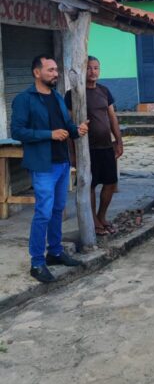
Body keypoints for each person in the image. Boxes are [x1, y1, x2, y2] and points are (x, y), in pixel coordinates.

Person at [11, 55, 89, 284]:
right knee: (43, 212)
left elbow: (65, 127)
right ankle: (37, 262)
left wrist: (77, 130)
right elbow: (17, 131)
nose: (56, 74)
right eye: (51, 70)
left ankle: (54, 252)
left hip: (62, 162)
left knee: (57, 210)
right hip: (43, 165)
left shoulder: (56, 96)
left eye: (56, 70)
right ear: (37, 72)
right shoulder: (24, 99)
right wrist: (49, 135)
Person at [65, 56, 123, 236]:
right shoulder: (73, 93)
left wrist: (119, 141)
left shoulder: (104, 91)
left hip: (106, 146)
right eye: (89, 68)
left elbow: (112, 117)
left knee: (111, 182)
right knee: (89, 184)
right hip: (86, 149)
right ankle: (93, 221)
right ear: (83, 70)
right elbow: (68, 122)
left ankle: (101, 216)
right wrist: (72, 152)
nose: (93, 71)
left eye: (96, 68)